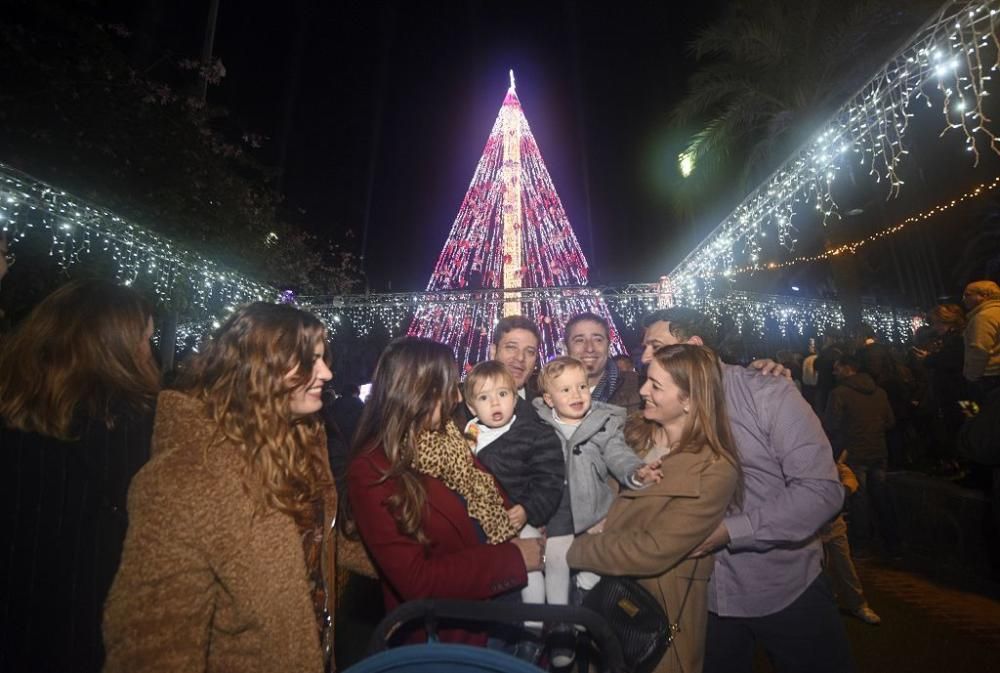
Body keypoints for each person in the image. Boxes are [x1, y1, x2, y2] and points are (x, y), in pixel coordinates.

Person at [103, 303, 339, 673]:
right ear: (263, 368)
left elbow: (318, 542)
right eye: (311, 361)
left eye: (323, 359)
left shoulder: (300, 445)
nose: (326, 372)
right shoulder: (187, 477)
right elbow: (154, 643)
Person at [638, 307, 850, 673]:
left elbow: (820, 491)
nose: (644, 358)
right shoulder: (654, 406)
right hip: (701, 597)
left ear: (694, 347)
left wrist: (730, 531)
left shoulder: (766, 392)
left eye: (656, 346)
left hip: (784, 587)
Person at [0, 279, 160, 673]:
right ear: (114, 347)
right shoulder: (133, 425)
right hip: (89, 628)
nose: (150, 352)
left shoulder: (13, 410)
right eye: (144, 339)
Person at [346, 338, 544, 646]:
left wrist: (522, 517)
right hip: (453, 636)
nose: (455, 397)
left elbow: (484, 488)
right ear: (416, 390)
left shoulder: (449, 438)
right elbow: (417, 581)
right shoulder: (373, 469)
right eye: (447, 387)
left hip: (500, 613)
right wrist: (515, 558)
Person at [568, 344, 740, 673]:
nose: (643, 390)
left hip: (656, 616)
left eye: (656, 386)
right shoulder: (630, 435)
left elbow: (653, 549)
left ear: (689, 399)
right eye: (647, 380)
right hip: (597, 601)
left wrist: (560, 551)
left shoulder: (715, 468)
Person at [532, 356, 660, 666]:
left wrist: (637, 472)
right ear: (549, 399)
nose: (576, 395)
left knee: (593, 572)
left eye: (582, 386)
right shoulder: (537, 423)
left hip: (595, 513)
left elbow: (619, 455)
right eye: (566, 390)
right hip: (555, 513)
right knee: (557, 563)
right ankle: (561, 626)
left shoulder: (603, 422)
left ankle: (582, 611)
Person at [462, 360, 564, 659]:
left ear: (515, 397)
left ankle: (533, 630)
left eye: (503, 394)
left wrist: (527, 509)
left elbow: (550, 480)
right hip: (481, 525)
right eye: (484, 397)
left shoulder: (535, 434)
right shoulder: (470, 434)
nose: (495, 403)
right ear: (471, 407)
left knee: (530, 567)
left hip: (518, 517)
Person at [825, 354, 900, 558]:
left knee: (859, 499)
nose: (834, 372)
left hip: (854, 451)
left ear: (848, 368)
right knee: (881, 497)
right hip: (878, 450)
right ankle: (892, 543)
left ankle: (861, 544)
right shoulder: (880, 392)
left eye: (837, 367)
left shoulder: (839, 393)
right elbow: (889, 421)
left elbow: (832, 424)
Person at [565, 312, 641, 412]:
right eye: (579, 340)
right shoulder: (551, 393)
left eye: (598, 340)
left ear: (608, 345)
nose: (589, 348)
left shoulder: (639, 388)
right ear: (566, 347)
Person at [961, 280, 1000, 399]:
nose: (963, 299)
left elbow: (979, 349)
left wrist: (971, 377)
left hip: (988, 376)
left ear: (984, 296)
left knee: (979, 411)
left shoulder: (983, 317)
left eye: (967, 295)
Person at [490, 314, 542, 396]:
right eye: (511, 347)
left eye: (530, 351)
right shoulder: (467, 401)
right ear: (493, 351)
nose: (520, 358)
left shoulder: (546, 406)